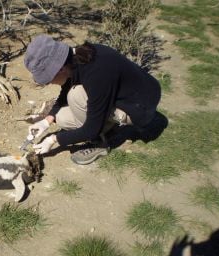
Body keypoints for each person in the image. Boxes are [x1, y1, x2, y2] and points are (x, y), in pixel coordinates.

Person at [24, 34, 161, 165]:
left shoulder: (97, 72)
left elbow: (91, 129)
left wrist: (53, 139)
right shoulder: (74, 58)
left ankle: (100, 142)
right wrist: (46, 122)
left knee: (76, 94)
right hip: (120, 95)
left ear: (59, 69)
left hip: (140, 106)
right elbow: (64, 91)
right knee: (61, 117)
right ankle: (107, 127)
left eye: (48, 79)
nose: (50, 83)